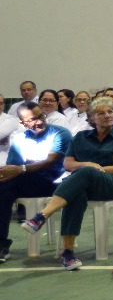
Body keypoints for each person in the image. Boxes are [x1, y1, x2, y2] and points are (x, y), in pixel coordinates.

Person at [23, 98, 113, 271]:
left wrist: (98, 169)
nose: (107, 115)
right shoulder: (81, 137)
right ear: (92, 117)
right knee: (76, 193)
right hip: (83, 184)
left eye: (110, 112)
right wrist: (87, 166)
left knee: (85, 172)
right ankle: (67, 253)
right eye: (101, 113)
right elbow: (68, 163)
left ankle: (41, 216)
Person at [0, 103, 71, 265]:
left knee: (7, 184)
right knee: (3, 188)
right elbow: (13, 167)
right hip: (29, 180)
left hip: (55, 182)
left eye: (41, 116)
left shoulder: (60, 133)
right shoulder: (19, 138)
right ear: (23, 123)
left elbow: (49, 162)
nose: (39, 122)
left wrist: (22, 168)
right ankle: (1, 244)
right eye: (32, 120)